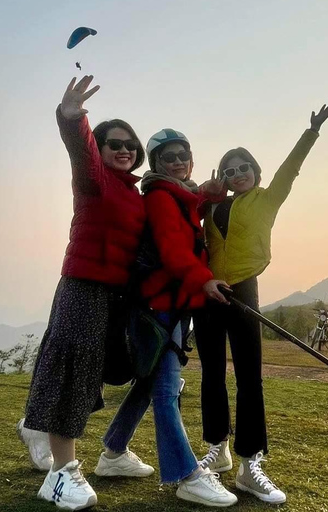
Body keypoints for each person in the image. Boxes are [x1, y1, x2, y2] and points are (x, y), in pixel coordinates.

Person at [19, 76, 150, 511]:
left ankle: (41, 428)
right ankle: (61, 475)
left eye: (130, 143)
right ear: (101, 147)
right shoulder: (94, 180)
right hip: (82, 287)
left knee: (97, 370)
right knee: (74, 369)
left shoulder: (135, 193)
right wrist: (73, 119)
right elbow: (83, 153)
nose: (124, 149)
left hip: (116, 296)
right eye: (114, 143)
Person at [194, 103, 328, 504]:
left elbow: (290, 169)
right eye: (229, 170)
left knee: (249, 378)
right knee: (211, 375)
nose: (236, 174)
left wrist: (311, 132)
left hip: (243, 291)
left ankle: (249, 463)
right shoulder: (212, 205)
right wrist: (204, 192)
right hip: (207, 291)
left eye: (243, 168)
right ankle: (216, 449)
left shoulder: (267, 198)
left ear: (255, 170)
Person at [96, 129, 237, 507]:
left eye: (182, 155)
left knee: (148, 383)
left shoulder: (180, 194)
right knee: (165, 388)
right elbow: (174, 253)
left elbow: (195, 200)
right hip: (161, 304)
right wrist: (206, 281)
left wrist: (210, 192)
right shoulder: (160, 197)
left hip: (168, 302)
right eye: (168, 156)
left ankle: (113, 452)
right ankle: (186, 475)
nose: (176, 161)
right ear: (157, 163)